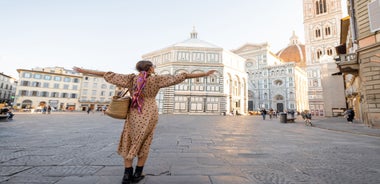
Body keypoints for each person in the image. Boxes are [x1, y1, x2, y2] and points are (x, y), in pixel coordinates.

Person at [73, 60, 216, 184]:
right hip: (150, 111)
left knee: (129, 138)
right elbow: (182, 75)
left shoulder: (130, 79)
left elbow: (106, 74)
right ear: (150, 68)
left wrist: (83, 70)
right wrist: (204, 74)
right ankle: (138, 174)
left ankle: (126, 175)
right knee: (145, 140)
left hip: (135, 111)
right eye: (153, 66)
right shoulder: (157, 80)